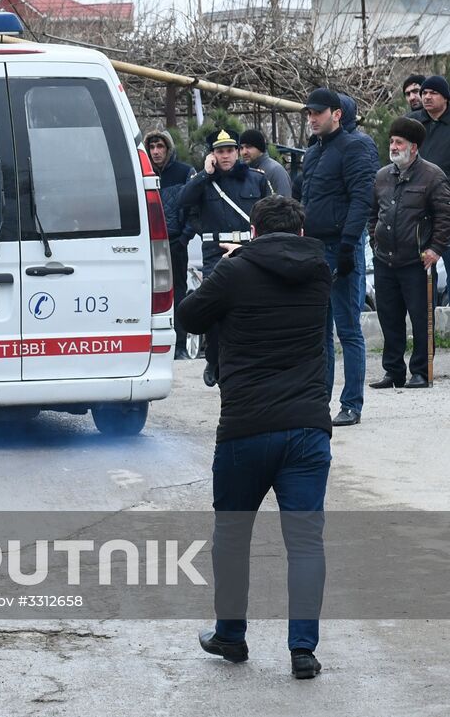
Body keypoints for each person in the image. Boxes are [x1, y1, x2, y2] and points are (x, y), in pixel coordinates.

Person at [176, 195, 333, 681]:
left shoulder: (234, 271)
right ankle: (302, 650)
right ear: (301, 233)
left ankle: (231, 634)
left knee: (232, 536)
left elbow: (188, 317)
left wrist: (229, 264)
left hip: (246, 427)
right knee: (306, 542)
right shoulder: (320, 272)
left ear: (254, 232)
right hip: (308, 428)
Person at [298, 87, 377, 427]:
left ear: (336, 114)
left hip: (341, 248)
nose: (311, 118)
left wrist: (347, 246)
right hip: (314, 249)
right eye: (309, 113)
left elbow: (363, 198)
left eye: (317, 112)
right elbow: (307, 200)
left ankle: (351, 404)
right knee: (318, 332)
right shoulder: (313, 152)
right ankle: (320, 401)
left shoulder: (356, 146)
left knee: (348, 329)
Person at [177, 129, 273, 386]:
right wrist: (205, 174)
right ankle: (214, 358)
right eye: (220, 151)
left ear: (238, 151)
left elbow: (270, 211)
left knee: (252, 306)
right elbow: (183, 201)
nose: (227, 156)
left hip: (249, 250)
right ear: (213, 155)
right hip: (215, 254)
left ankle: (249, 360)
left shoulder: (256, 179)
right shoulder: (203, 181)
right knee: (215, 307)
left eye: (230, 150)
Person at [368, 116, 450, 392]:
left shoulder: (433, 175)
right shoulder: (382, 176)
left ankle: (420, 371)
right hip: (384, 260)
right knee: (389, 318)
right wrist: (374, 242)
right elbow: (373, 214)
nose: (393, 146)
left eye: (398, 142)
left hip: (417, 261)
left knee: (420, 318)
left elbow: (445, 216)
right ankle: (393, 371)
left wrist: (436, 248)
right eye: (391, 141)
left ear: (413, 147)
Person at [144, 130, 197, 359]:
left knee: (179, 294)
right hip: (147, 245)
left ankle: (180, 346)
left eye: (160, 147)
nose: (156, 152)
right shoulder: (141, 172)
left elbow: (195, 208)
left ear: (168, 149)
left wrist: (184, 238)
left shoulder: (184, 172)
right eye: (152, 147)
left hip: (175, 243)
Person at [412, 75, 450, 177]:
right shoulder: (411, 122)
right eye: (424, 93)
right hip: (413, 187)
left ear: (445, 98)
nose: (427, 97)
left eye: (433, 93)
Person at [238, 130, 293, 198]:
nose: (244, 152)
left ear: (260, 148)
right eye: (241, 148)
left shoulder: (275, 171)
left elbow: (284, 204)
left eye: (249, 147)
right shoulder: (241, 171)